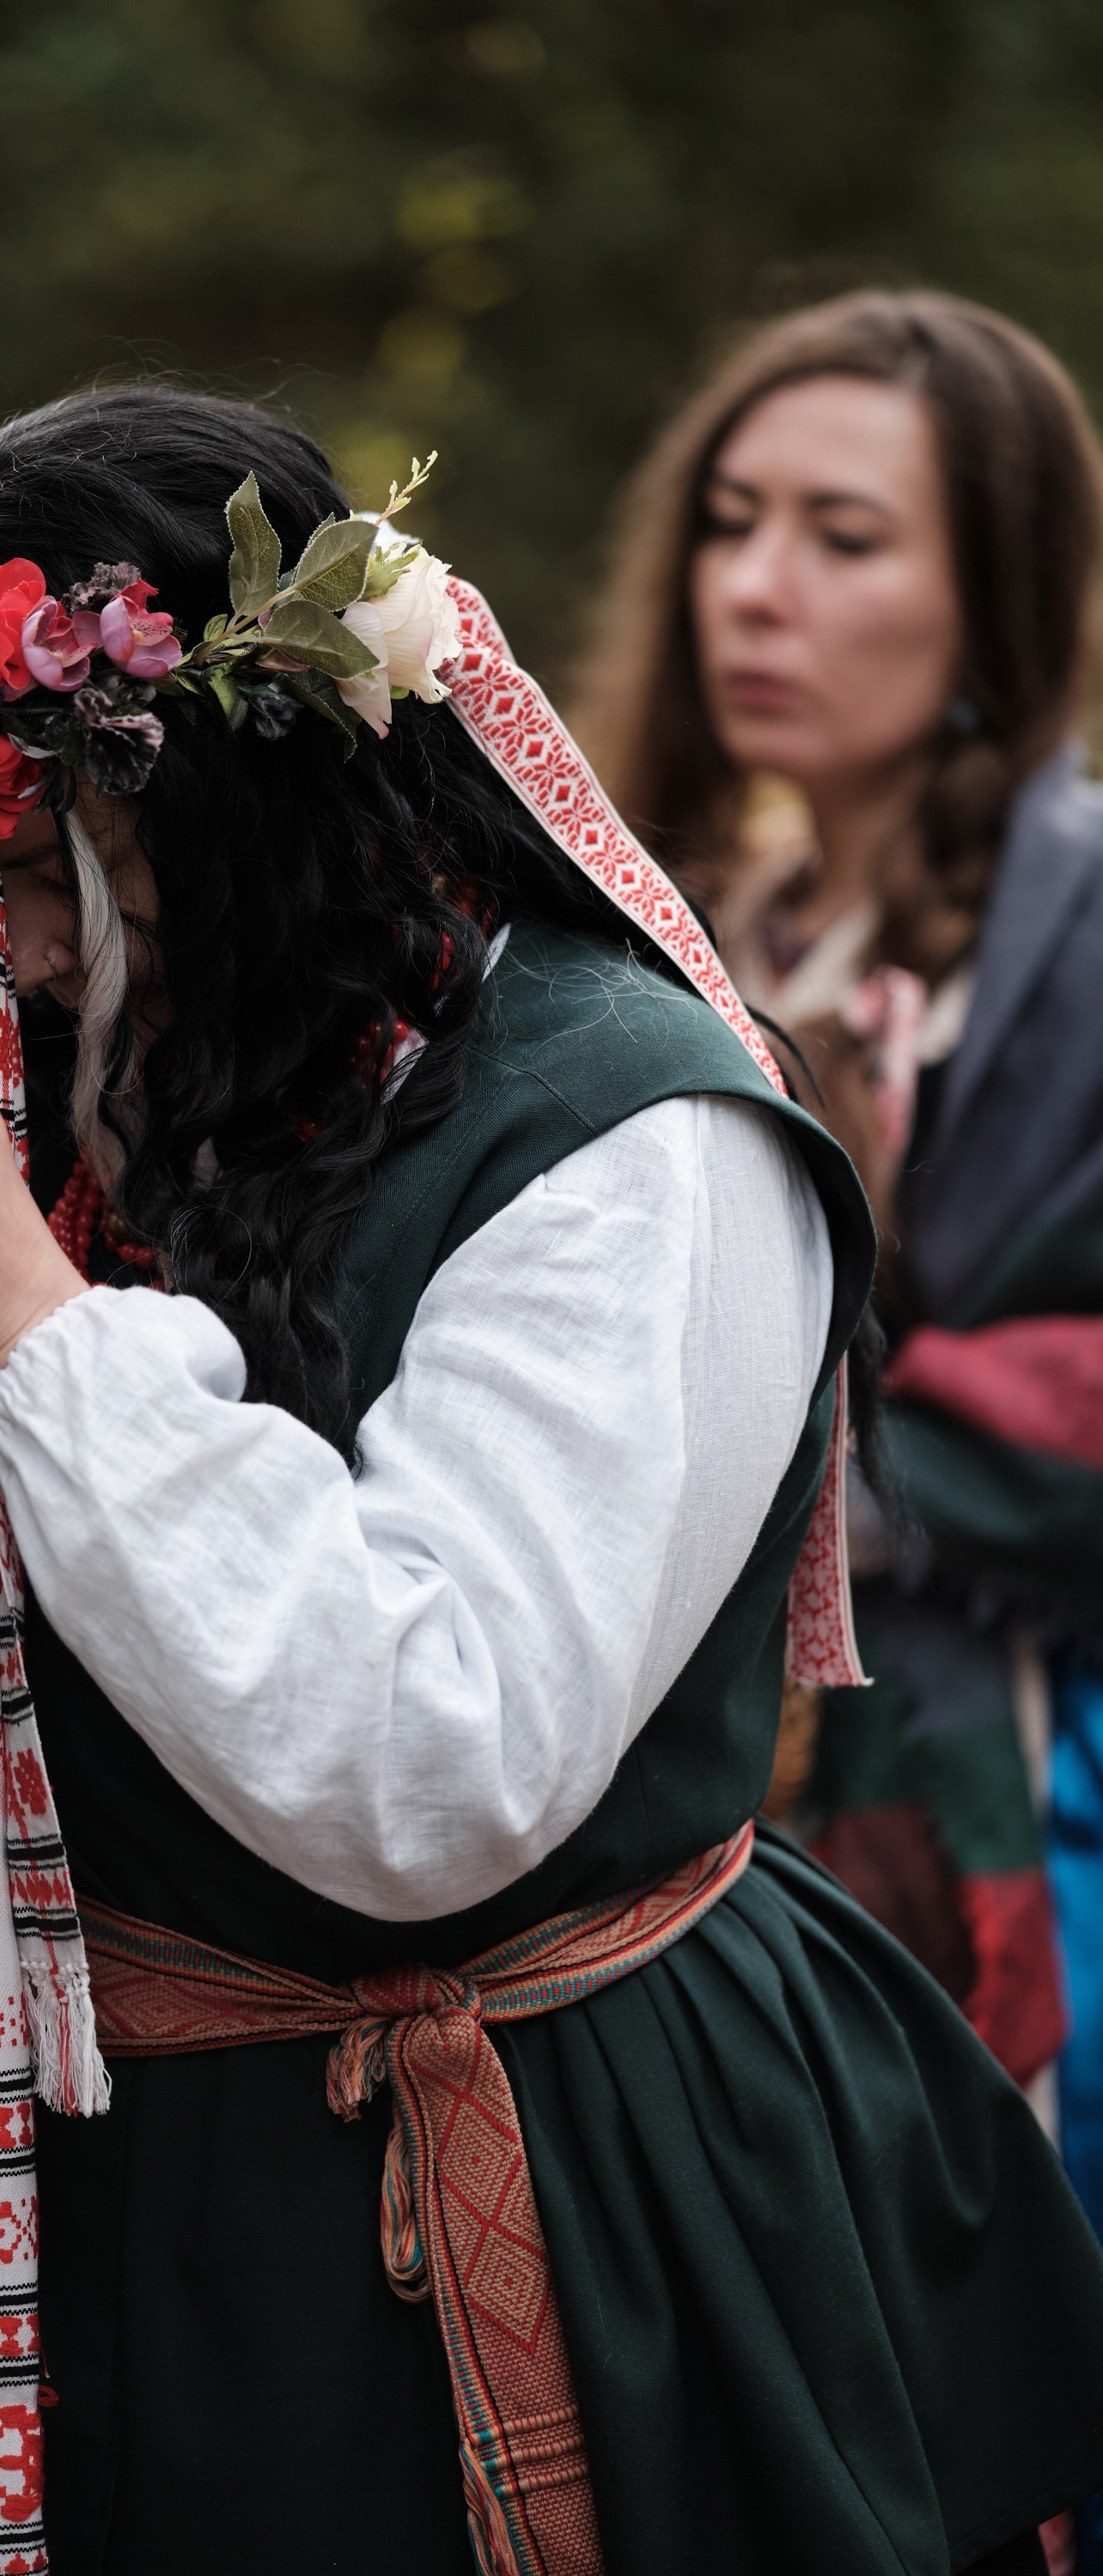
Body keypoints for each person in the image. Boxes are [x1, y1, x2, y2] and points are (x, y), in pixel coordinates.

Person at [0, 387, 1103, 2574]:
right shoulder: (120, 1051)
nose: (18, 938)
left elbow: (434, 1757)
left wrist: (36, 1332)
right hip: (141, 2182)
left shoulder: (638, 1137)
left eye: (57, 843)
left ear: (240, 813)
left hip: (553, 2175)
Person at [575, 291, 1103, 2221]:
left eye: (843, 537)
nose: (754, 588)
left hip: (1014, 1789)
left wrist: (793, 1472)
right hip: (672, 1805)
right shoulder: (651, 925)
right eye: (728, 522)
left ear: (998, 595)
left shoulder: (1085, 929)